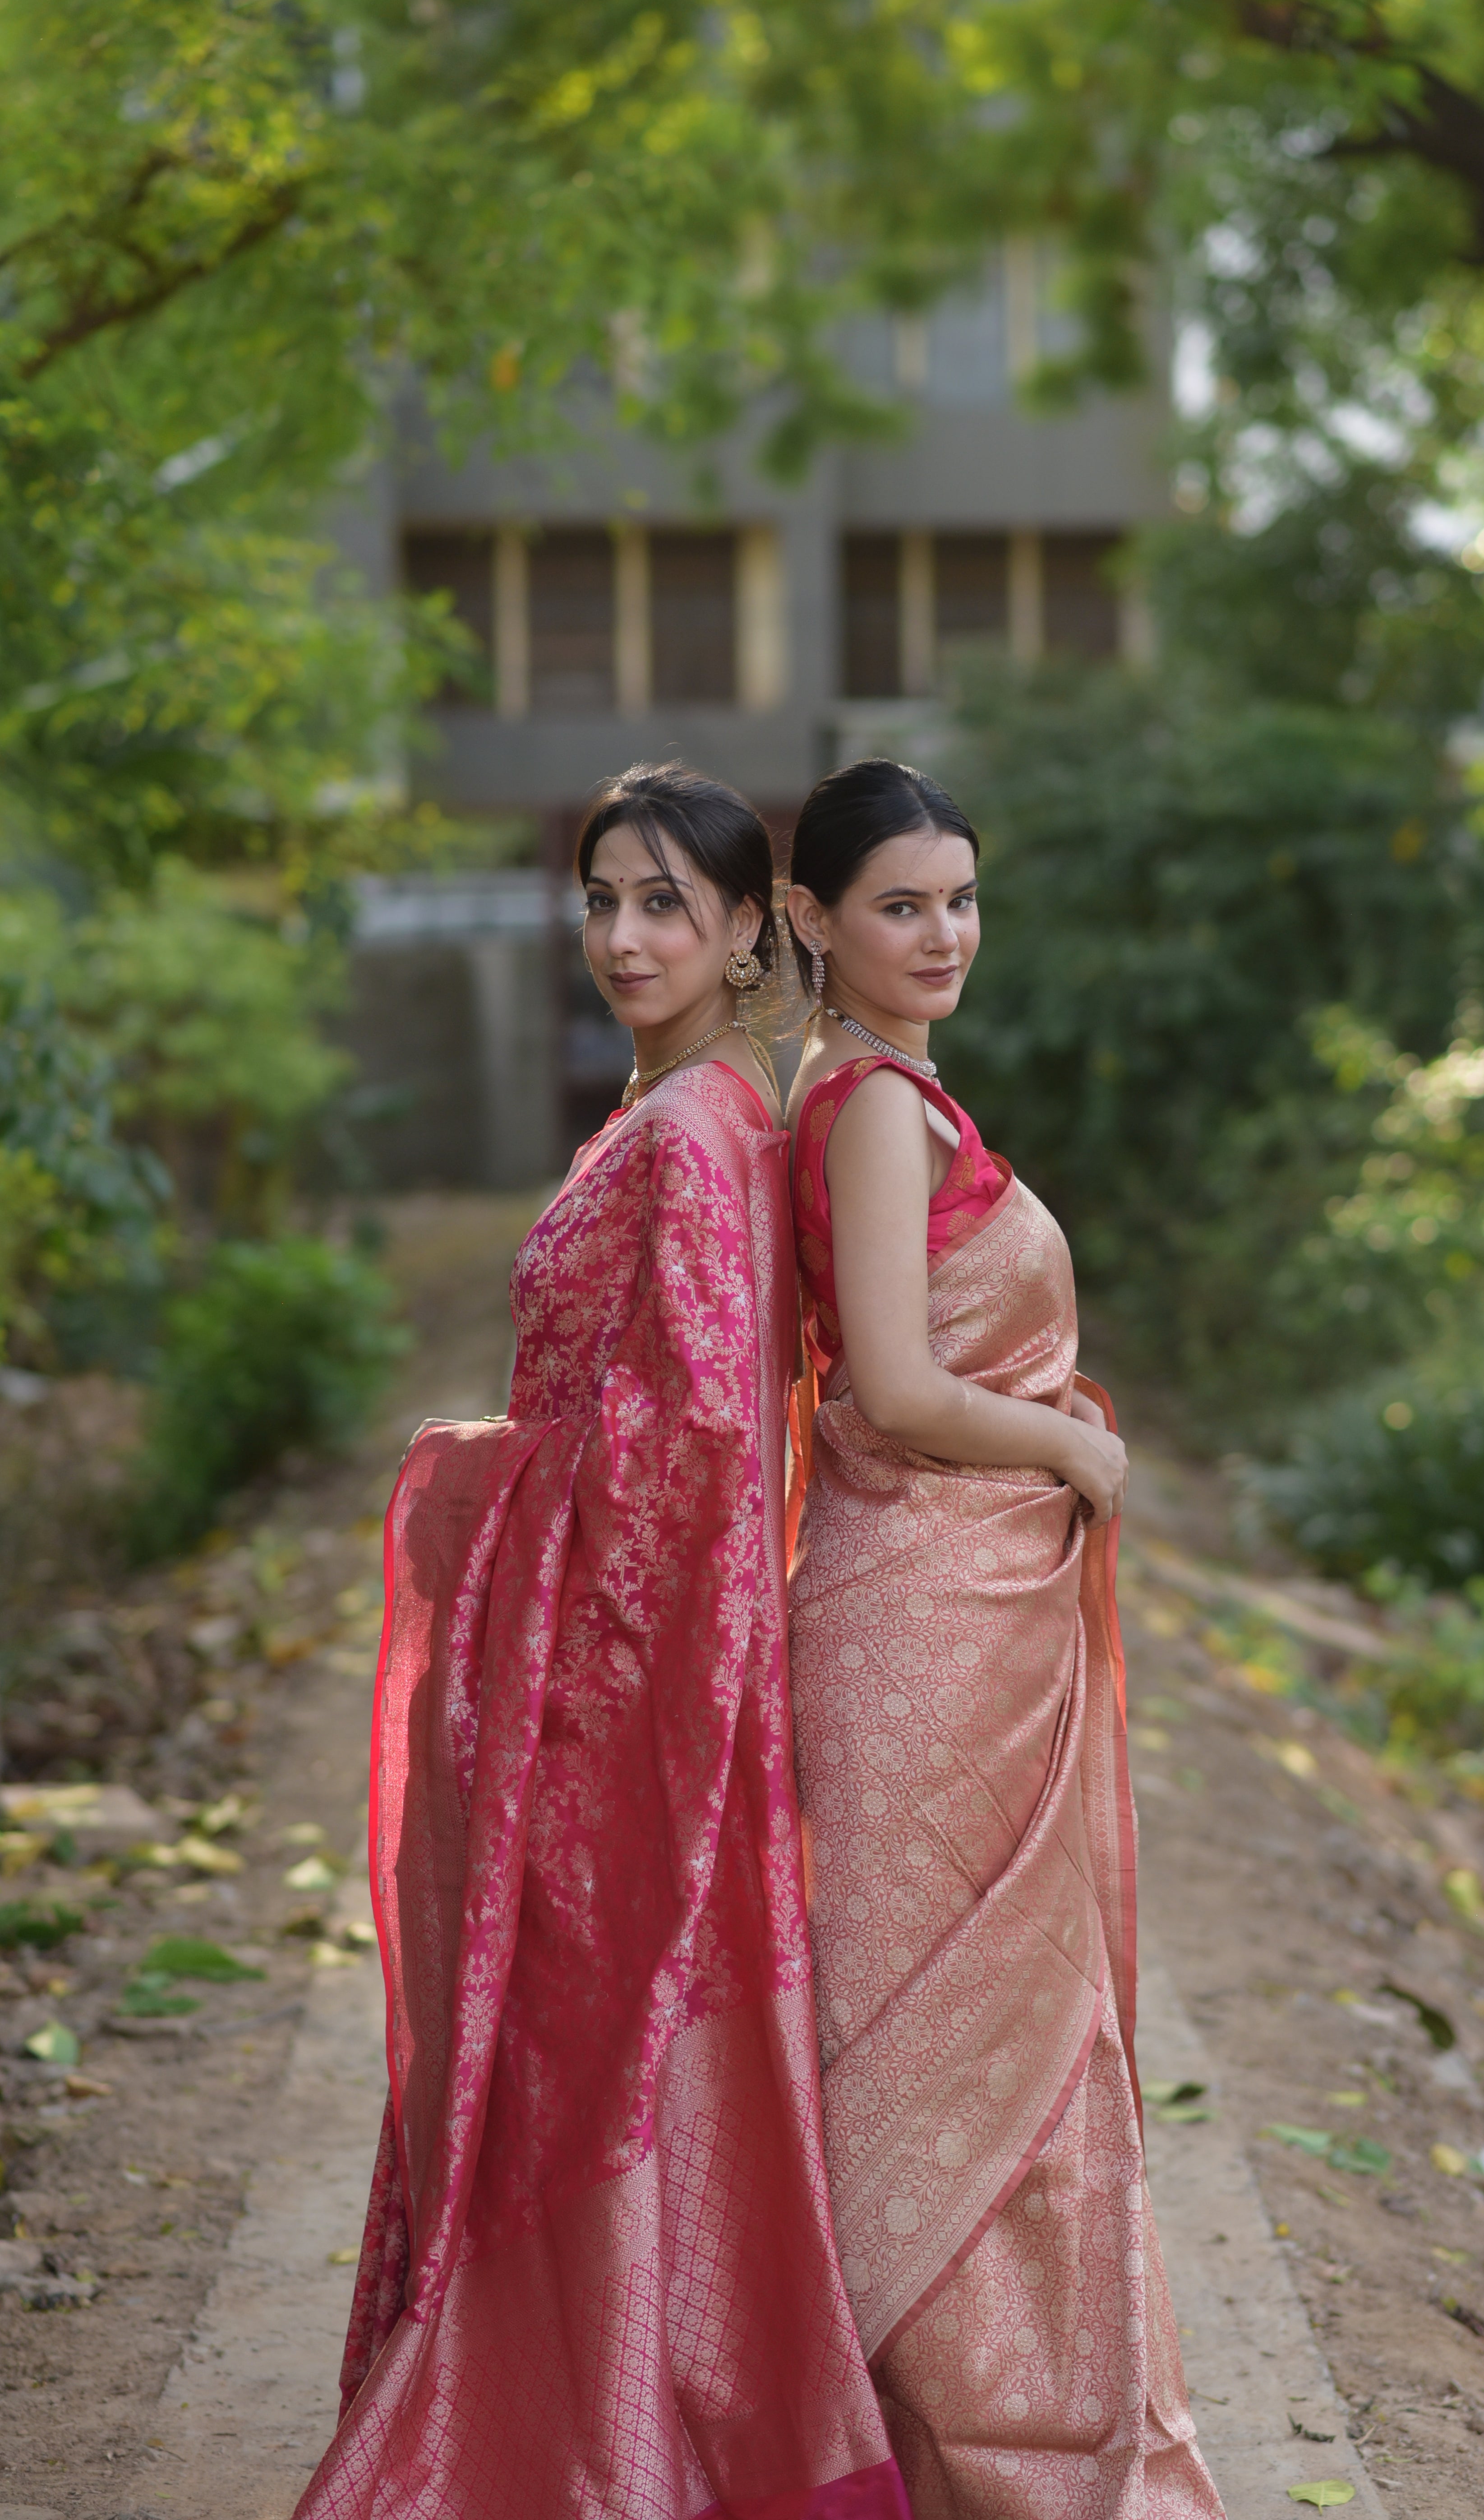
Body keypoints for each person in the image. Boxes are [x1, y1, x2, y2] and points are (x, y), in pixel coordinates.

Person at [300, 763, 908, 2520]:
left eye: (666, 903)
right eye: (600, 900)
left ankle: (599, 2445)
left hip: (631, 1680)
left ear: (743, 933)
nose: (625, 935)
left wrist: (473, 1479)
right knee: (579, 2056)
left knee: (594, 2055)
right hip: (598, 1670)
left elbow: (709, 1443)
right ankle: (602, 2422)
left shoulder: (709, 1130)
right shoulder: (667, 1110)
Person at [782, 759, 1225, 2520]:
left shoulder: (898, 1093)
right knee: (943, 2055)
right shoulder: (873, 1101)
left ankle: (1010, 2453)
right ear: (811, 918)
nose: (946, 931)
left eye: (962, 897)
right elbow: (890, 1383)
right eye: (903, 902)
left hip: (969, 1614)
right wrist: (1068, 1443)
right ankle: (986, 2468)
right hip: (921, 1627)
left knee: (1001, 2053)